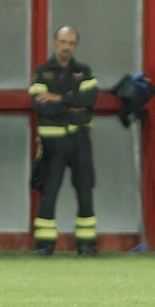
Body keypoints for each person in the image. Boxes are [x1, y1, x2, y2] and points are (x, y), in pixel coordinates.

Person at [29, 26, 100, 256]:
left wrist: (58, 98)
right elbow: (41, 106)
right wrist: (73, 105)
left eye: (71, 43)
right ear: (54, 43)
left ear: (75, 46)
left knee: (85, 190)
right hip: (52, 143)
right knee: (49, 191)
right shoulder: (41, 72)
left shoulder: (84, 71)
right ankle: (45, 245)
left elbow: (89, 99)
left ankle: (86, 244)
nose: (66, 47)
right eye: (62, 42)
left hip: (80, 141)